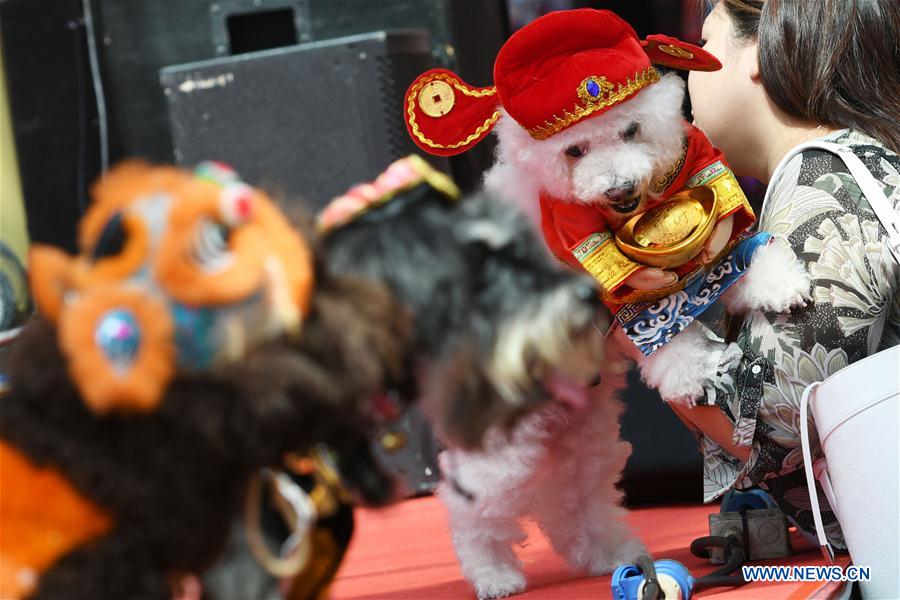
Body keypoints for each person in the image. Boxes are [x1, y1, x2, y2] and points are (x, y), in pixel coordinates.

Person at [673, 0, 900, 547]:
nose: (687, 72)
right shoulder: (852, 162)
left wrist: (635, 315)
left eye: (704, 43)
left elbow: (775, 427)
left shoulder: (826, 173)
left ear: (757, 47)